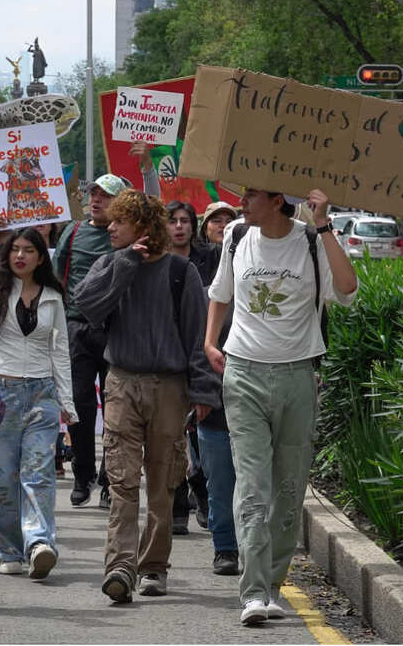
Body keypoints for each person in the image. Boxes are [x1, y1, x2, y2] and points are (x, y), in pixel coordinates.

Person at [204, 188, 357, 625]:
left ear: (277, 201)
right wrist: (210, 340)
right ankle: (252, 593)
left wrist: (324, 222)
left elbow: (347, 289)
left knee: (288, 492)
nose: (243, 203)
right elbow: (221, 291)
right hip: (244, 375)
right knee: (252, 489)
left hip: (296, 377)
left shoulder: (310, 241)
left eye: (252, 196)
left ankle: (272, 585)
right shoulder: (235, 235)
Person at [73, 190, 218, 605]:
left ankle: (153, 566)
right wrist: (125, 263)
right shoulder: (113, 263)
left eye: (121, 221)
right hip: (121, 381)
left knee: (162, 481)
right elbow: (85, 304)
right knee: (121, 479)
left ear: (143, 226)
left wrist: (203, 390)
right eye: (112, 221)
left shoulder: (180, 271)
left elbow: (196, 335)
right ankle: (120, 566)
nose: (111, 227)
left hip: (170, 387)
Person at [52, 141, 160, 509]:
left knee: (116, 408)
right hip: (77, 329)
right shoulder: (73, 232)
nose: (96, 200)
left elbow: (154, 211)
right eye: (93, 194)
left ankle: (107, 478)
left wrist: (147, 169)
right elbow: (57, 278)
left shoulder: (132, 235)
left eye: (106, 196)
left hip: (117, 330)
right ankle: (82, 473)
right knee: (79, 405)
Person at [0, 226, 74, 581]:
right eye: (14, 250)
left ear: (41, 256)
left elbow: (61, 350)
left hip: (42, 392)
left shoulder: (53, 295)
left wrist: (67, 401)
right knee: (2, 476)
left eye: (28, 250)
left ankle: (39, 542)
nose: (20, 255)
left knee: (38, 474)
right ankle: (8, 548)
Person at [167, 200, 240, 575]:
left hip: (259, 394)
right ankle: (225, 547)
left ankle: (255, 550)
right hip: (213, 398)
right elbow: (198, 346)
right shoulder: (204, 294)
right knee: (219, 477)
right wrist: (202, 393)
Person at [165, 201, 212, 535]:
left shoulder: (209, 259)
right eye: (173, 220)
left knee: (199, 439)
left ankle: (205, 497)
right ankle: (177, 506)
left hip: (200, 355)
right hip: (165, 360)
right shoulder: (154, 261)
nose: (179, 226)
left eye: (185, 220)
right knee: (170, 441)